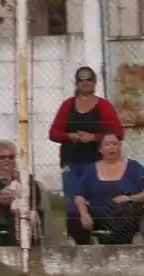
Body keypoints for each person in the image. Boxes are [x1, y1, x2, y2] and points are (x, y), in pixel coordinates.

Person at [49, 67, 124, 195]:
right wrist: (70, 136)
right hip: (71, 162)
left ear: (94, 82)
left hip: (97, 162)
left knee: (96, 200)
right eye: (81, 79)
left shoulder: (104, 105)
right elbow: (53, 133)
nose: (85, 82)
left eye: (89, 79)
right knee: (73, 202)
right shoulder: (67, 105)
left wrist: (93, 137)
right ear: (76, 83)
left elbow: (118, 133)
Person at [69, 133, 144, 245]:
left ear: (120, 147)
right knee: (73, 213)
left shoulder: (134, 167)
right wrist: (84, 214)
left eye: (115, 144)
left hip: (124, 211)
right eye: (107, 145)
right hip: (98, 213)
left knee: (127, 211)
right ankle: (86, 247)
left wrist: (129, 198)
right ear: (101, 150)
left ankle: (115, 246)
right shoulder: (91, 170)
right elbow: (79, 196)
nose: (112, 147)